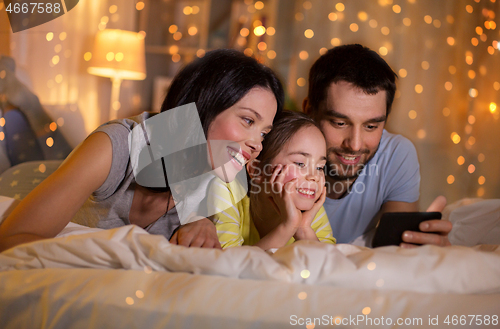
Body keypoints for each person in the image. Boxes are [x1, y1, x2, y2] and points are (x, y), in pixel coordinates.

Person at [0, 49, 284, 252]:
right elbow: (14, 238)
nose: (256, 144)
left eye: (262, 132)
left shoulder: (216, 177)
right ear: (204, 106)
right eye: (248, 120)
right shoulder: (115, 147)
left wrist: (202, 223)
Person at [303, 44, 452, 248]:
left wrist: (420, 247)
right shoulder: (275, 151)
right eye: (340, 123)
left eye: (371, 126)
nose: (355, 145)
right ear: (309, 111)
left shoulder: (396, 155)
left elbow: (396, 248)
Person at [209, 110, 336, 250]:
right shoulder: (227, 192)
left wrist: (304, 230)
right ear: (257, 170)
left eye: (319, 167)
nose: (314, 177)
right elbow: (227, 265)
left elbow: (330, 268)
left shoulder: (311, 211)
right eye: (300, 164)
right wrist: (288, 227)